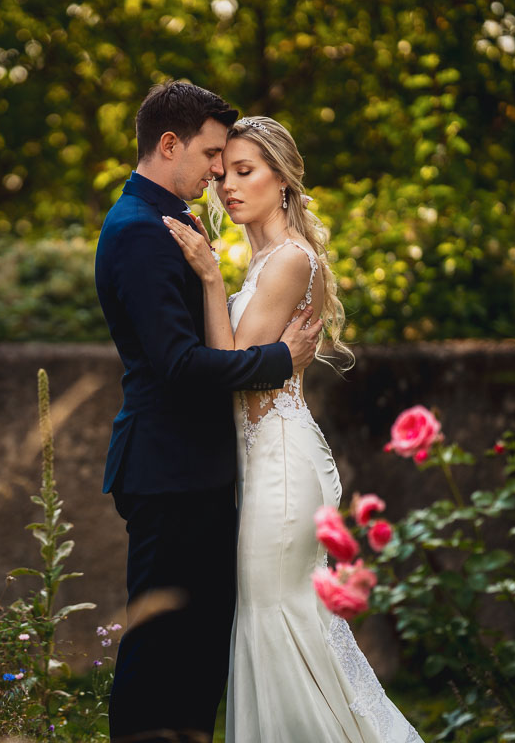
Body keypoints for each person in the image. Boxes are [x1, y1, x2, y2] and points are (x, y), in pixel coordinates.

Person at [163, 115, 423, 741]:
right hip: (260, 465)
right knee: (271, 618)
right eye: (225, 173)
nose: (228, 186)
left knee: (277, 618)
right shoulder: (264, 261)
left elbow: (231, 368)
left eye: (246, 172)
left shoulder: (287, 262)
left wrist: (207, 276)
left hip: (280, 466)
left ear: (282, 180)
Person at [94, 81, 323, 743]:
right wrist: (282, 360)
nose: (219, 171)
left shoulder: (171, 220)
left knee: (195, 657)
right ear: (170, 145)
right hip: (170, 472)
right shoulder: (140, 231)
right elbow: (182, 366)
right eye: (213, 154)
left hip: (197, 472)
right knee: (159, 656)